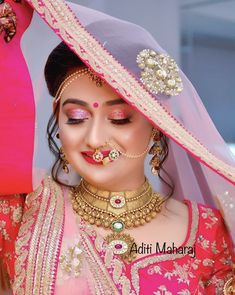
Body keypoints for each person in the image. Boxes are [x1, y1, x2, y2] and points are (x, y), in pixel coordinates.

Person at [0, 1, 235, 294]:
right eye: (76, 118)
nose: (95, 138)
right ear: (57, 115)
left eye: (119, 119)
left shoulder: (206, 232)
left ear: (156, 121)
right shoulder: (25, 209)